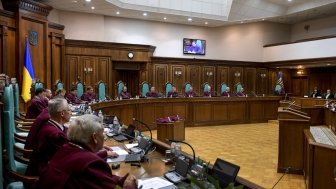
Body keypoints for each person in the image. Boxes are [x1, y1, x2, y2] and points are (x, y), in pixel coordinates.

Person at [36, 114, 137, 189]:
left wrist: (117, 179)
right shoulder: (92, 163)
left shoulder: (66, 148)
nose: (104, 137)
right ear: (94, 138)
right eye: (102, 134)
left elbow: (96, 179)